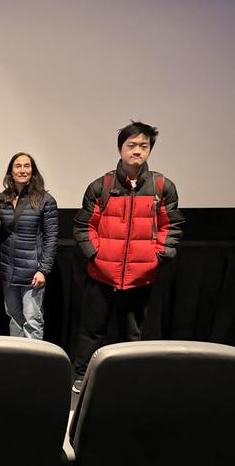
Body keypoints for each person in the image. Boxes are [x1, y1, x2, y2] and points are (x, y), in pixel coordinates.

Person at [72, 120, 184, 393]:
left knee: (131, 335)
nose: (137, 151)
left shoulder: (162, 187)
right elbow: (83, 226)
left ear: (150, 150)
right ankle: (80, 381)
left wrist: (156, 258)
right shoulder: (101, 186)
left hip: (140, 278)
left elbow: (172, 227)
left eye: (143, 146)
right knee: (91, 333)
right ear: (120, 148)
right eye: (131, 145)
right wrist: (97, 256)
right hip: (101, 275)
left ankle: (127, 381)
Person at [0, 152, 58, 340]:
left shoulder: (45, 200)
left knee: (32, 320)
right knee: (14, 317)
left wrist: (43, 270)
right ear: (11, 172)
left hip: (32, 273)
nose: (22, 170)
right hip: (7, 270)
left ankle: (34, 365)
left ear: (33, 171)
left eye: (27, 166)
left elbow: (51, 238)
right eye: (18, 166)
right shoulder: (2, 198)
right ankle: (17, 361)